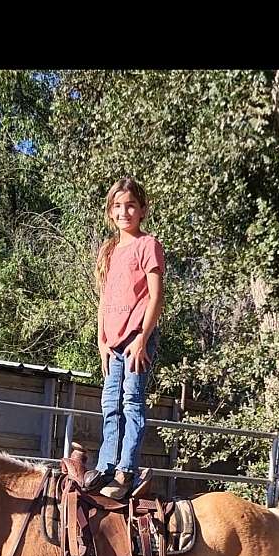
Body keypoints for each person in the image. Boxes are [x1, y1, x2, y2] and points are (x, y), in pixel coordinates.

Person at [84, 176, 165, 501]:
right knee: (109, 404)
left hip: (135, 339)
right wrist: (102, 340)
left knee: (131, 401)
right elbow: (104, 300)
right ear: (110, 212)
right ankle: (106, 464)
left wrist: (142, 338)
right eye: (117, 206)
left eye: (130, 205)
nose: (124, 211)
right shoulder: (111, 250)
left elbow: (156, 297)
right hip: (112, 341)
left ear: (142, 209)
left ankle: (125, 470)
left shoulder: (148, 245)